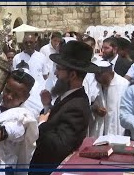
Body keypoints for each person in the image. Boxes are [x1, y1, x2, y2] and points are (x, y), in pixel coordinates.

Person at [29, 41, 99, 173]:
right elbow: (56, 123)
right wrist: (47, 106)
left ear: (72, 75)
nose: (55, 73)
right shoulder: (68, 97)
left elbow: (58, 145)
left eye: (59, 69)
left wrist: (41, 124)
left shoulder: (77, 105)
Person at [89, 60, 129, 137]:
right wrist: (95, 108)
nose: (103, 84)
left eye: (105, 81)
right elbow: (89, 102)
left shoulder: (124, 85)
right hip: (98, 131)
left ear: (111, 73)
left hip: (117, 130)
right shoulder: (93, 83)